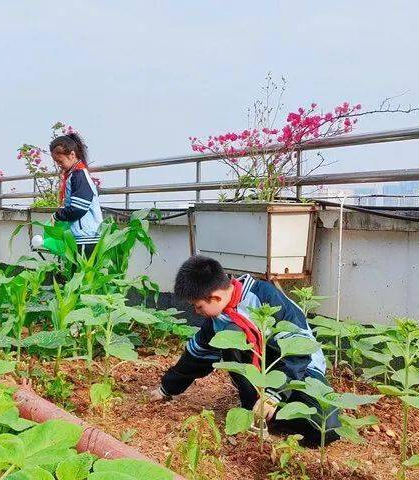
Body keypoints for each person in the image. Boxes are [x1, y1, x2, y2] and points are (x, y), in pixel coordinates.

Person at [150, 255, 340, 446]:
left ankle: (273, 411)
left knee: (327, 428)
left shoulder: (265, 296)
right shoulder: (217, 322)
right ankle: (255, 410)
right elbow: (195, 357)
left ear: (215, 297)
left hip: (299, 369)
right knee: (232, 335)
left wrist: (274, 394)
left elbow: (298, 349)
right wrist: (166, 388)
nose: (197, 312)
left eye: (198, 307)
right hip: (259, 379)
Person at [49, 132, 103, 257]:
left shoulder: (78, 176)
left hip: (86, 237)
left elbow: (79, 208)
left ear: (72, 154)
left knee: (81, 275)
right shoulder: (74, 174)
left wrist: (58, 215)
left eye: (60, 161)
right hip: (83, 236)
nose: (59, 165)